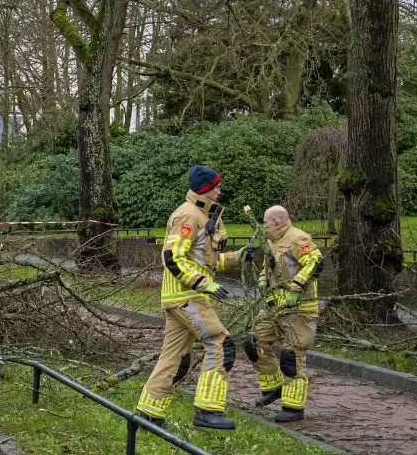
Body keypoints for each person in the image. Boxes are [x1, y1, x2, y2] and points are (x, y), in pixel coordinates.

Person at [136, 166, 254, 430]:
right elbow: (172, 258)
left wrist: (239, 256)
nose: (219, 190)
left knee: (174, 356)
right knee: (220, 342)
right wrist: (204, 284)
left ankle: (149, 413)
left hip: (184, 294)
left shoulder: (202, 214)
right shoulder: (188, 215)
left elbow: (204, 261)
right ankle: (208, 410)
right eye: (216, 186)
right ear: (204, 189)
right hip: (187, 295)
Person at [244, 206, 322, 423]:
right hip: (274, 308)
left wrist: (296, 288)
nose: (263, 226)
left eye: (266, 222)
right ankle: (273, 387)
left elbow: (315, 262)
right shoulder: (272, 240)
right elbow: (269, 267)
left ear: (278, 222)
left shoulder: (298, 238)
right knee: (254, 343)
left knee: (291, 357)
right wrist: (262, 280)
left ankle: (294, 407)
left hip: (299, 310)